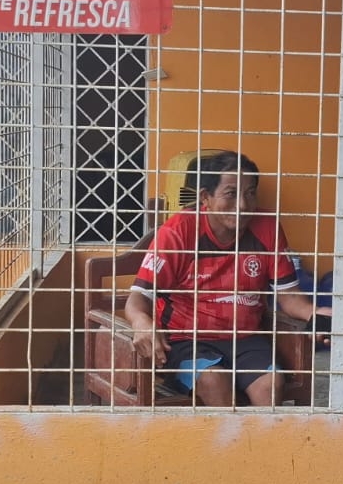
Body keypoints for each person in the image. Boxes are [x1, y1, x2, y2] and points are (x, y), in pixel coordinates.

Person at [126, 150, 330, 408]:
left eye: (250, 193)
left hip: (245, 339)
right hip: (186, 340)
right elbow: (137, 299)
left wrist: (316, 313)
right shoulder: (177, 232)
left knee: (271, 385)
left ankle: (259, 436)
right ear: (205, 198)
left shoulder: (267, 227)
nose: (243, 205)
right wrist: (141, 322)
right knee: (214, 380)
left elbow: (290, 297)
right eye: (231, 194)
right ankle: (230, 436)